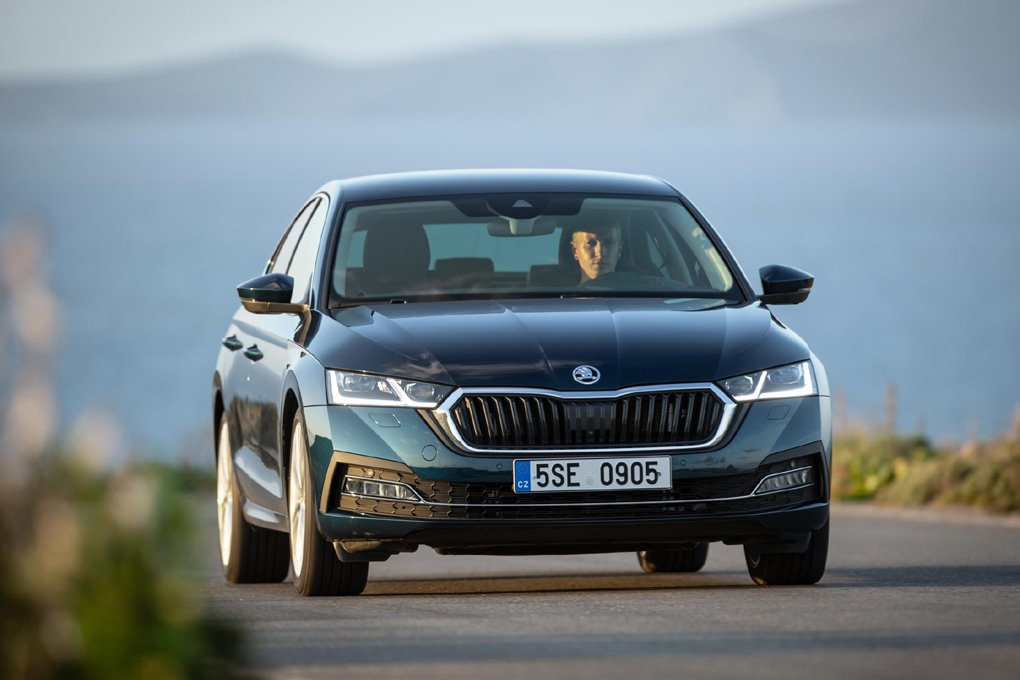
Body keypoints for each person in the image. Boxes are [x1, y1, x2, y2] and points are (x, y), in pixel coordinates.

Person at [571, 218, 623, 283]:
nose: (600, 252)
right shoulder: (559, 292)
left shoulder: (636, 290)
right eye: (591, 243)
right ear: (575, 251)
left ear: (619, 250)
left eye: (608, 243)